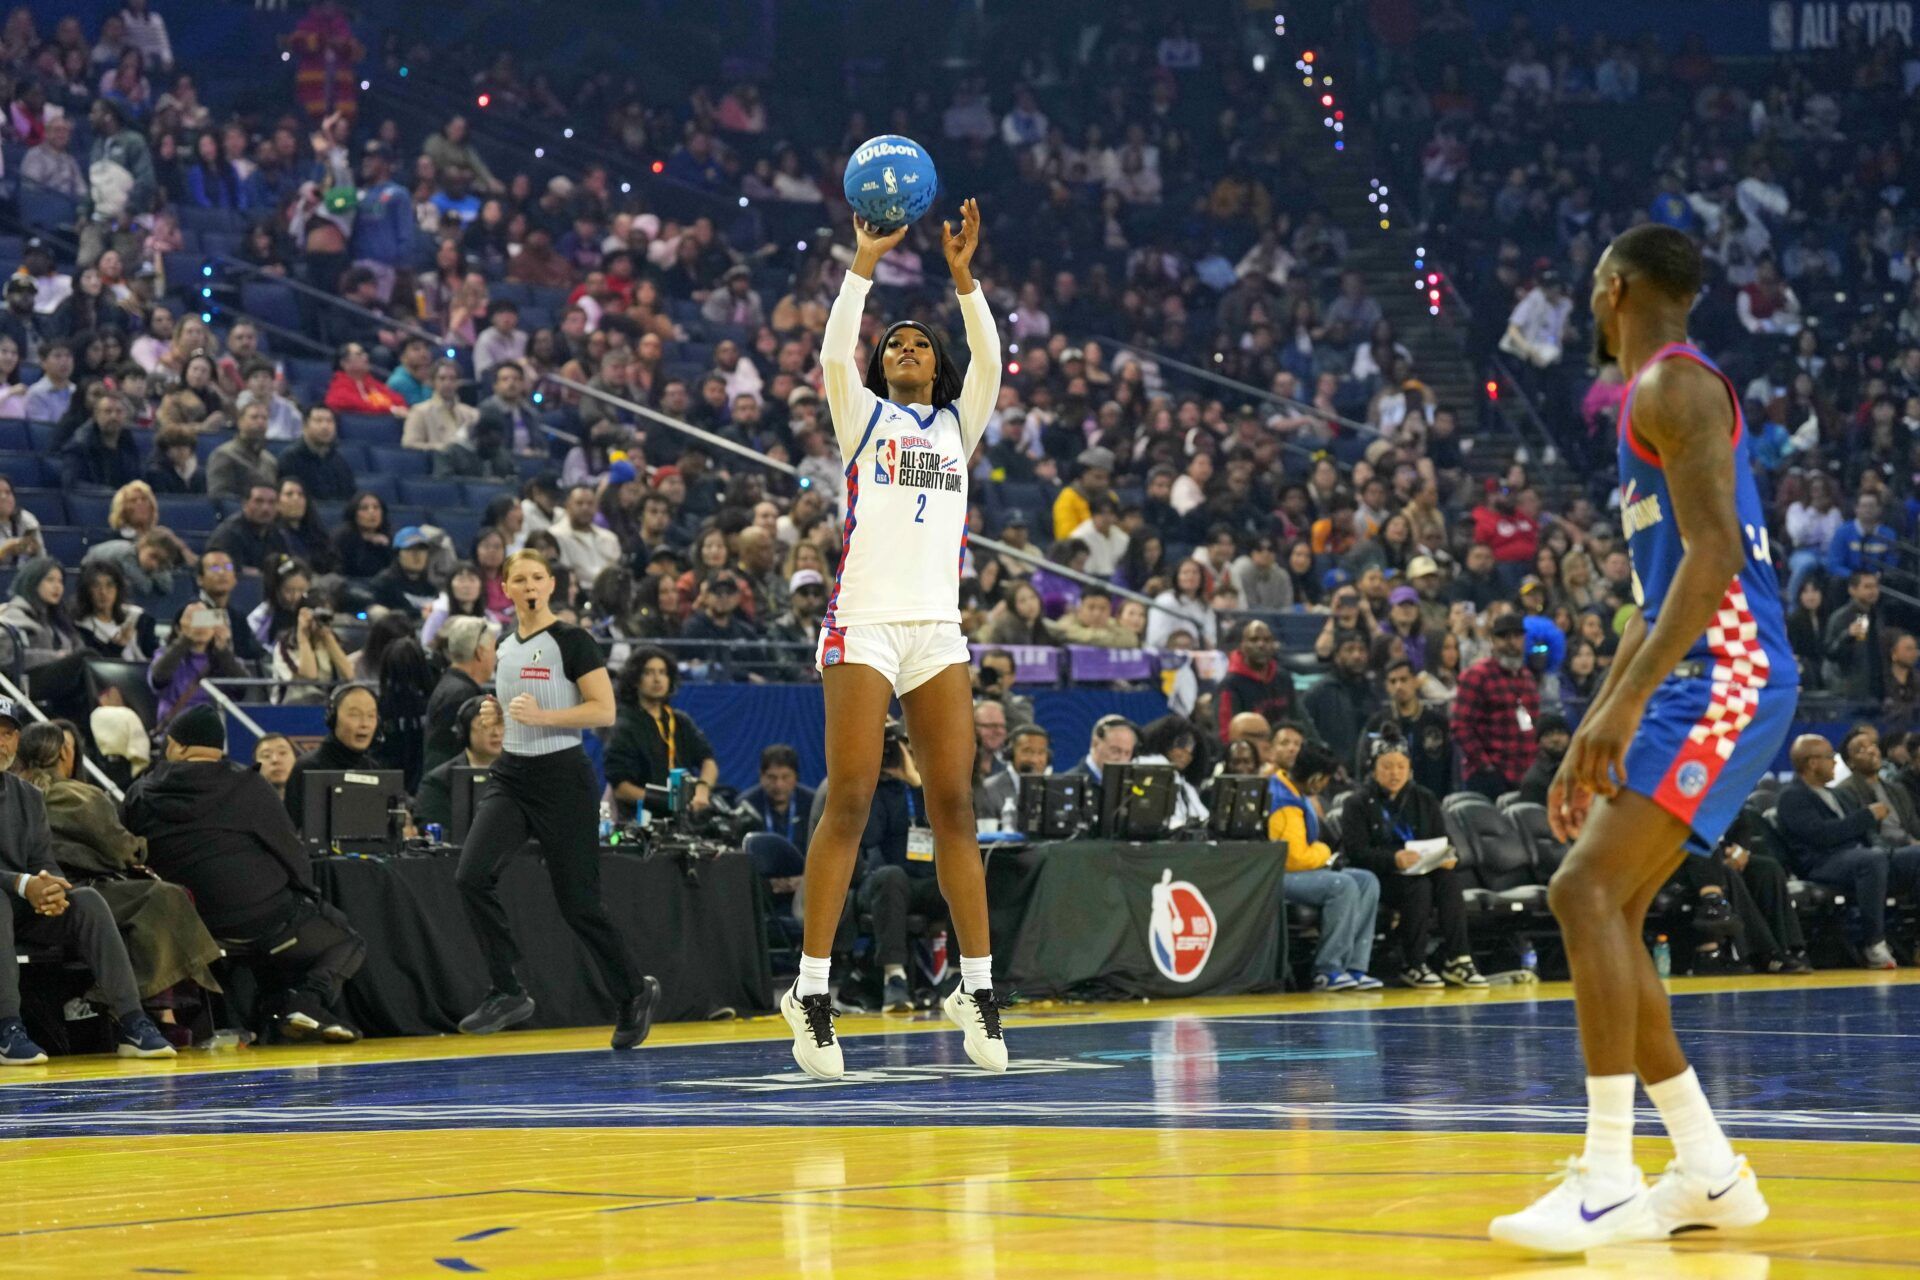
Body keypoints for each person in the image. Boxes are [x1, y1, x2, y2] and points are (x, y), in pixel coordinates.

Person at [1491, 225, 1795, 1253]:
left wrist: (1624, 709)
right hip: (1697, 672)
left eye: (1588, 287)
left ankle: (1609, 1174)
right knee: (1608, 904)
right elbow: (1654, 597)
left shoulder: (1673, 387)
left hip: (1731, 673)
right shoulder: (1654, 398)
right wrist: (1597, 718)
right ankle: (1708, 1170)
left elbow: (1712, 560)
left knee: (1582, 890)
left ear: (1612, 289)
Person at [786, 200, 1007, 1082]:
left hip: (936, 631)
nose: (904, 349)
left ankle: (977, 989)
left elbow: (989, 358)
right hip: (863, 623)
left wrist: (964, 279)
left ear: (938, 365)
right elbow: (836, 352)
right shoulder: (863, 419)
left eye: (919, 344)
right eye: (895, 345)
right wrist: (862, 263)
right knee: (850, 798)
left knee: (955, 805)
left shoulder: (959, 425)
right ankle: (809, 993)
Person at [452, 550, 660, 1048]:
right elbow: (509, 711)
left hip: (563, 777)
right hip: (512, 775)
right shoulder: (504, 647)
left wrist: (543, 718)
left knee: (579, 904)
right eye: (518, 579)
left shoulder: (572, 640)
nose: (528, 586)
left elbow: (604, 711)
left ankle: (633, 991)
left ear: (550, 585)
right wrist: (493, 717)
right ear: (504, 588)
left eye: (537, 578)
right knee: (470, 876)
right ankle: (507, 989)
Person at [123, 706, 367, 1044]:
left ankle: (277, 1012)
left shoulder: (140, 792)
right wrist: (307, 895)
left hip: (182, 924)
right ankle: (304, 1002)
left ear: (177, 746)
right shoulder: (248, 784)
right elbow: (290, 852)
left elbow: (128, 854)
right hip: (260, 920)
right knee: (346, 938)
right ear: (218, 748)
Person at [0, 697, 174, 1064]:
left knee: (88, 901)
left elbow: (43, 860)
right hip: (6, 900)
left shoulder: (29, 796)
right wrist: (22, 884)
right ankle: (7, 1027)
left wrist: (53, 888)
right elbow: (20, 879)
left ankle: (132, 1022)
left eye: (8, 734)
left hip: (23, 904)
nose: (2, 742)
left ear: (17, 742)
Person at [1339, 736, 1484, 989]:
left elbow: (1444, 839)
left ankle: (1458, 959)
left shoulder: (1424, 798)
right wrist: (1393, 858)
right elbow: (1356, 851)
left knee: (1449, 880)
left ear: (1410, 770)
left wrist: (1448, 857)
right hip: (1382, 876)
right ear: (1373, 770)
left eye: (1400, 766)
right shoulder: (1357, 803)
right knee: (1418, 886)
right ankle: (1414, 963)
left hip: (1423, 867)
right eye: (1386, 766)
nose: (1394, 773)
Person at [1777, 733, 1920, 970]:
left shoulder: (1837, 794)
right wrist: (1866, 816)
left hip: (1862, 857)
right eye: (1829, 757)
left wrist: (1887, 850)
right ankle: (1873, 944)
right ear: (1812, 763)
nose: (1835, 762)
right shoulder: (1792, 797)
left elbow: (1867, 834)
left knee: (1914, 857)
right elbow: (1821, 835)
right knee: (1871, 859)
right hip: (1822, 864)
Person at [1267, 737, 1382, 991]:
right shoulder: (1282, 801)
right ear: (1317, 778)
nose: (1326, 784)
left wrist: (1319, 854)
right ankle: (1327, 970)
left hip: (1303, 871)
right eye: (1326, 779)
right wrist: (1323, 852)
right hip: (1279, 876)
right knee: (1342, 885)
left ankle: (1354, 968)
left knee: (1367, 881)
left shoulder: (1295, 791)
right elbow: (1294, 859)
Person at [1453, 613, 1539, 800]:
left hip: (1525, 775)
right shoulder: (1477, 675)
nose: (1511, 643)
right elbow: (1460, 726)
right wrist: (1486, 765)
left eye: (1517, 636)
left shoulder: (1528, 677)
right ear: (1492, 640)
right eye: (1503, 637)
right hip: (1489, 777)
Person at [283, 683, 382, 830]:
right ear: (333, 719)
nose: (364, 724)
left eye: (371, 716)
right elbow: (290, 831)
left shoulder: (373, 768)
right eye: (354, 715)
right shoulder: (308, 768)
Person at [1361, 659, 1453, 796]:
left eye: (1404, 679)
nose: (1398, 686)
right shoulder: (1377, 724)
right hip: (1388, 802)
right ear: (1387, 686)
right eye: (1393, 681)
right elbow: (1364, 767)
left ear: (1416, 682)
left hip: (1432, 800)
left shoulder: (1437, 723)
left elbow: (1450, 766)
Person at [415, 696, 504, 828]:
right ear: (464, 732)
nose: (496, 733)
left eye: (501, 724)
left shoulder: (521, 774)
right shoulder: (438, 782)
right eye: (486, 725)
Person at [424, 616, 497, 775]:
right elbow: (445, 757)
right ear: (480, 652)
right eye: (493, 649)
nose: (496, 656)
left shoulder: (452, 686)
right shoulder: (462, 695)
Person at [1215, 620, 1298, 738]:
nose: (1261, 645)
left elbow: (1298, 719)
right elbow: (1225, 734)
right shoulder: (1230, 685)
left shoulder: (1283, 678)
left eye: (1267, 640)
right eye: (1254, 640)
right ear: (1242, 646)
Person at [1304, 634, 1378, 765]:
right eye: (1349, 650)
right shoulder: (1319, 692)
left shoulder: (1375, 692)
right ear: (1337, 656)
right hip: (1332, 772)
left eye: (1362, 650)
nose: (1357, 655)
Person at [739, 744, 813, 846]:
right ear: (761, 776)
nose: (779, 785)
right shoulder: (746, 805)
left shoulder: (812, 803)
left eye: (785, 777)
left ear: (796, 776)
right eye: (772, 777)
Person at [977, 723, 1049, 823]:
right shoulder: (989, 790)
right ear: (1010, 753)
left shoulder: (1052, 790)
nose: (1035, 760)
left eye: (1041, 752)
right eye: (1027, 751)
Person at [1062, 714, 1137, 782]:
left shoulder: (1130, 788)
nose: (1122, 760)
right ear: (1095, 744)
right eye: (1115, 751)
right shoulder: (1067, 783)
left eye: (1127, 753)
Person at [1517, 714, 1572, 806]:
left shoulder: (1580, 768)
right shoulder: (1534, 781)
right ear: (1539, 742)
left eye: (1561, 733)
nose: (1556, 739)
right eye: (1548, 735)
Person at [253, 733, 297, 802]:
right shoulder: (244, 804)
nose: (275, 760)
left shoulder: (312, 799)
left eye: (283, 753)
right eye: (266, 755)